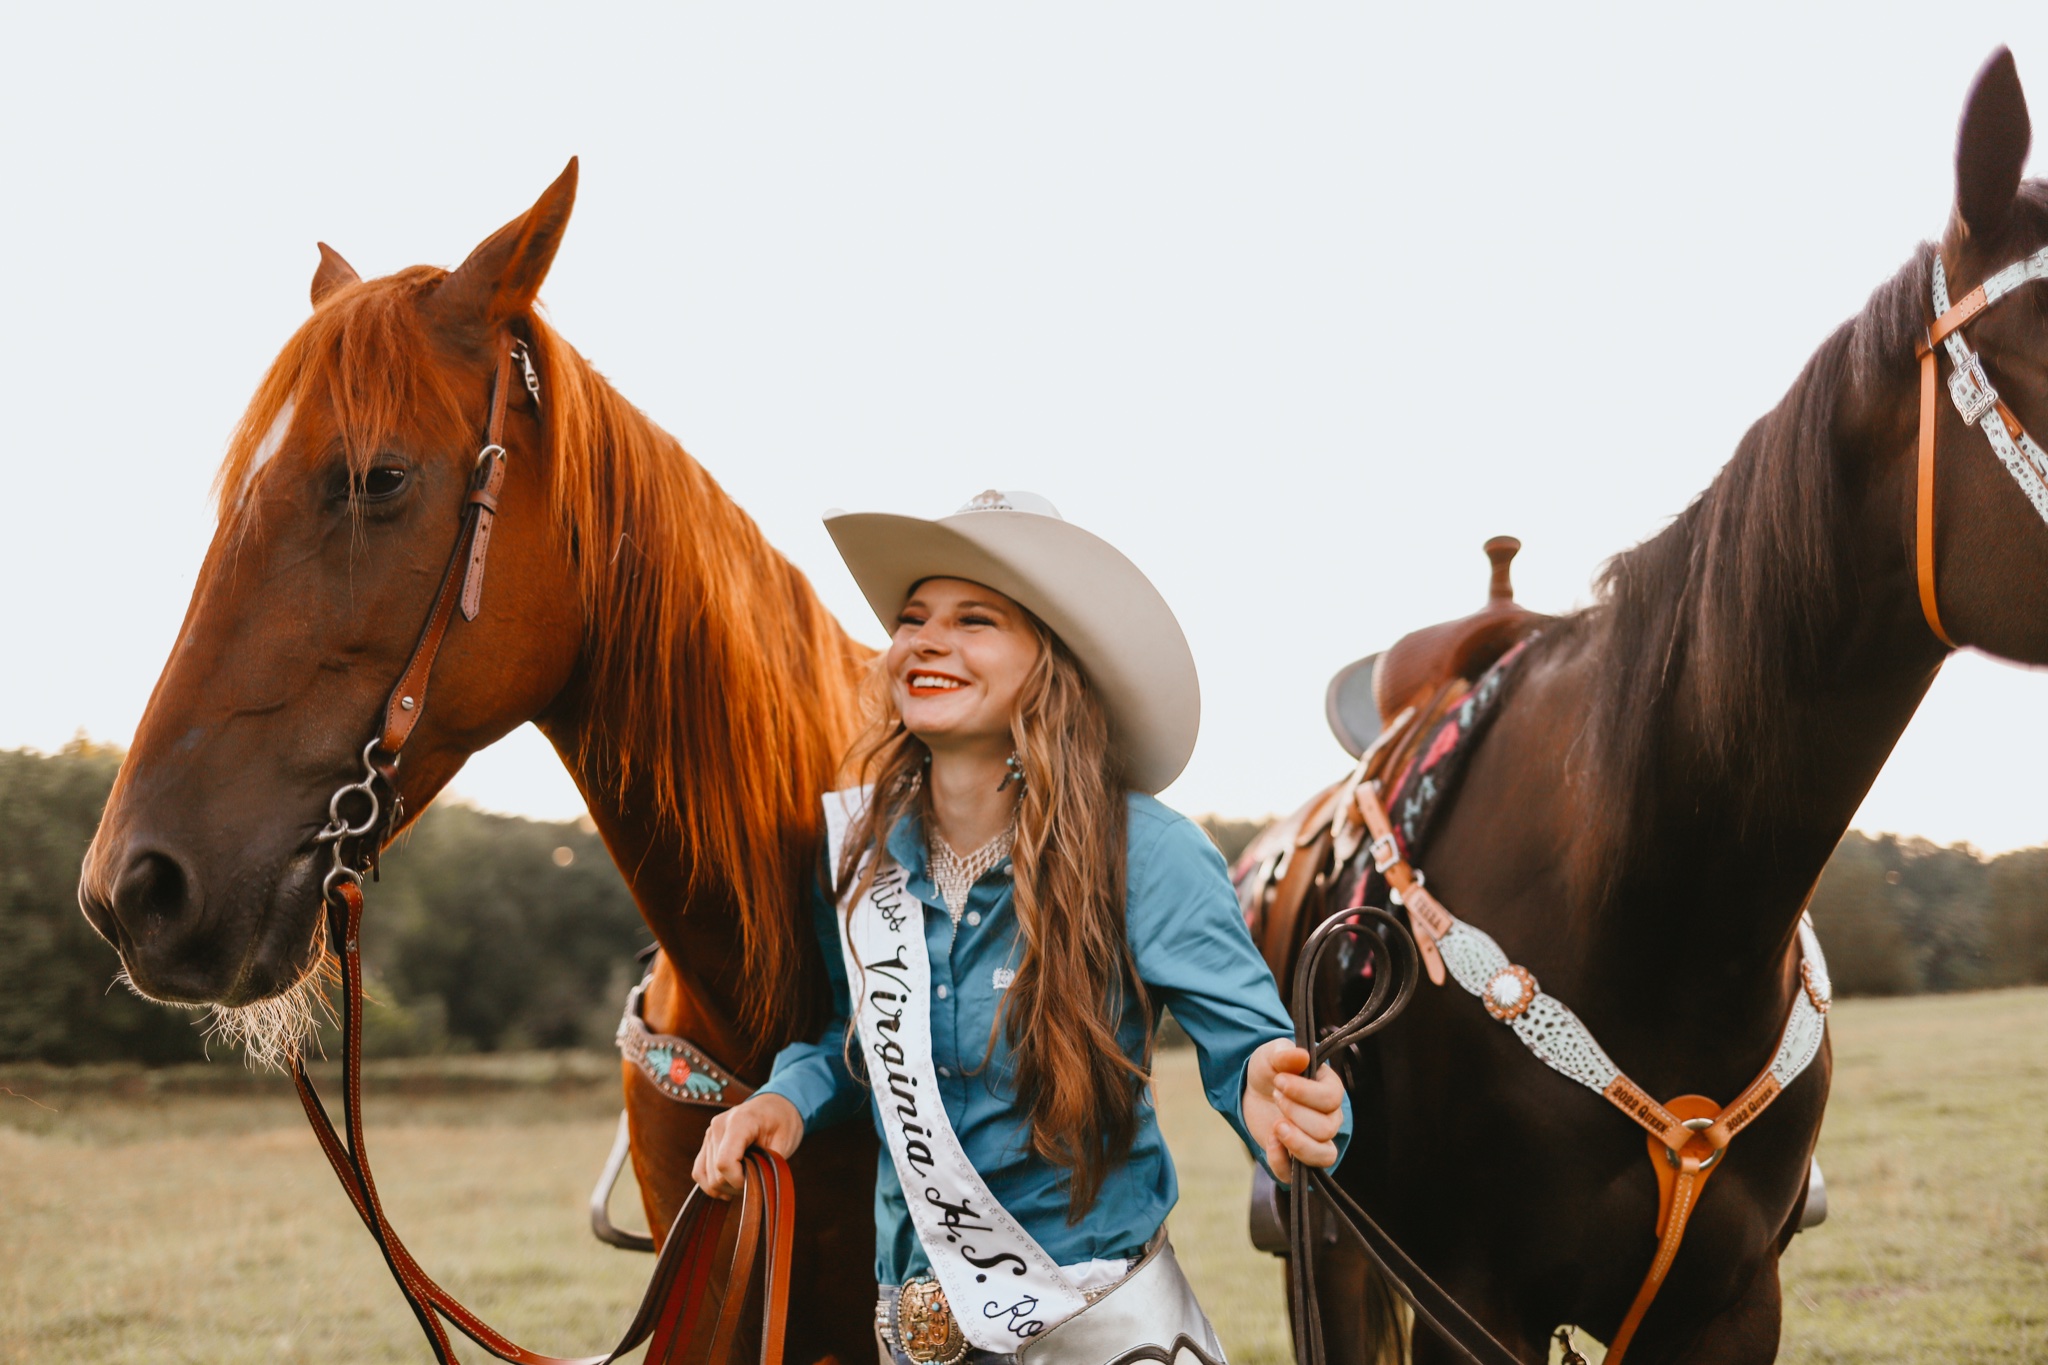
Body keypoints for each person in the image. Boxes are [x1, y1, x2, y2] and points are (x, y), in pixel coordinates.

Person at [692, 490, 1348, 1365]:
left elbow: (1258, 1063)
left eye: (974, 619)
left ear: (1051, 661)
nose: (926, 640)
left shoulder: (1146, 851)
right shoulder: (850, 855)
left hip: (1106, 1333)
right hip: (915, 1332)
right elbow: (861, 1042)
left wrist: (1291, 1103)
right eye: (912, 618)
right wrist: (787, 1096)